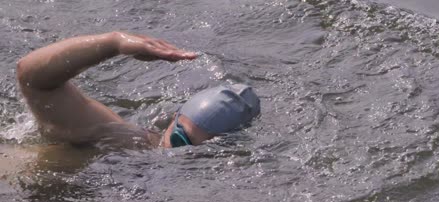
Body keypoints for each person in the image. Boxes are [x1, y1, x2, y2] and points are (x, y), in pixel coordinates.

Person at [16, 31, 260, 148]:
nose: (178, 157)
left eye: (199, 155)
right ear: (172, 121)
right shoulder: (123, 141)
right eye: (180, 141)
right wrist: (114, 43)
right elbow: (32, 79)